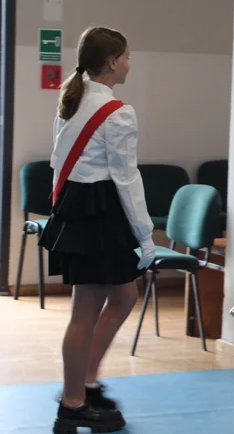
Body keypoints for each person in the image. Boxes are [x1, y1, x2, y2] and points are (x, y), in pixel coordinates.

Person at [39, 26, 156, 433]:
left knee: (125, 294)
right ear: (111, 62)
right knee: (83, 314)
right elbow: (127, 179)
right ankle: (72, 404)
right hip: (99, 213)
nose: (129, 63)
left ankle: (86, 381)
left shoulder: (73, 100)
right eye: (126, 56)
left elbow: (59, 162)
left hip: (80, 208)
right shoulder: (117, 112)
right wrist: (145, 236)